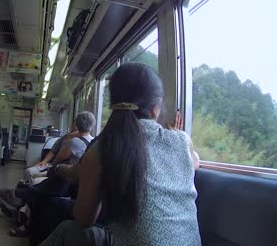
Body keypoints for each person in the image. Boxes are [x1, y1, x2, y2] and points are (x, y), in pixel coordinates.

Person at [40, 63, 201, 246]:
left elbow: (84, 219)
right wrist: (176, 134)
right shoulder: (182, 141)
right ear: (155, 108)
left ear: (112, 105)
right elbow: (194, 162)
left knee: (69, 229)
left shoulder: (102, 149)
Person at [0, 112, 96, 237]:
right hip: (67, 178)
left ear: (76, 124)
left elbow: (59, 158)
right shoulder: (92, 143)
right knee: (35, 180)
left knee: (38, 185)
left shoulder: (75, 141)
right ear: (92, 126)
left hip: (63, 176)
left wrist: (68, 142)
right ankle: (15, 204)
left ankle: (12, 197)